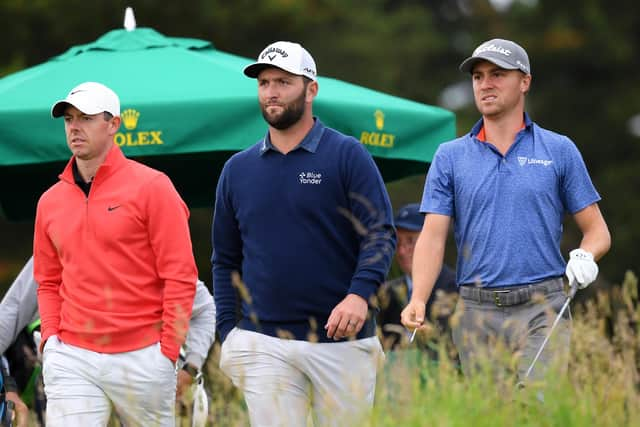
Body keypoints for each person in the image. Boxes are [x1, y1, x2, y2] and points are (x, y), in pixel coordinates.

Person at [401, 38, 611, 384]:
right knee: (492, 415)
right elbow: (433, 237)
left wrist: (585, 256)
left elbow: (597, 232)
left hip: (542, 307)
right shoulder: (449, 156)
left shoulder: (559, 150)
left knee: (535, 408)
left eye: (497, 74)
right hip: (475, 311)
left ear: (524, 81)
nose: (485, 84)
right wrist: (418, 298)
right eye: (478, 76)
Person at [212, 41, 396, 427]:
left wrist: (359, 295)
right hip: (264, 343)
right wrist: (227, 331)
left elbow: (380, 233)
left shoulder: (348, 155)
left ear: (311, 89)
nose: (271, 92)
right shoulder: (237, 170)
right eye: (264, 83)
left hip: (343, 344)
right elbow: (225, 259)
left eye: (283, 81)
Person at [33, 81, 198, 426]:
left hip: (144, 356)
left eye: (86, 118)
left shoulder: (153, 187)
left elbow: (180, 276)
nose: (75, 127)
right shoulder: (49, 201)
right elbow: (47, 281)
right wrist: (51, 340)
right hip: (72, 355)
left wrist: (168, 352)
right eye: (68, 119)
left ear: (114, 124)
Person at [1, 256, 216, 427]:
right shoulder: (61, 244)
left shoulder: (156, 260)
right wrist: (6, 389)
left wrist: (191, 368)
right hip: (28, 371)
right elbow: (7, 318)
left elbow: (204, 308)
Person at [377, 203, 458, 357]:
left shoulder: (456, 287)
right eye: (398, 242)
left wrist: (434, 339)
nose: (401, 251)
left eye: (411, 241)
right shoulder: (387, 292)